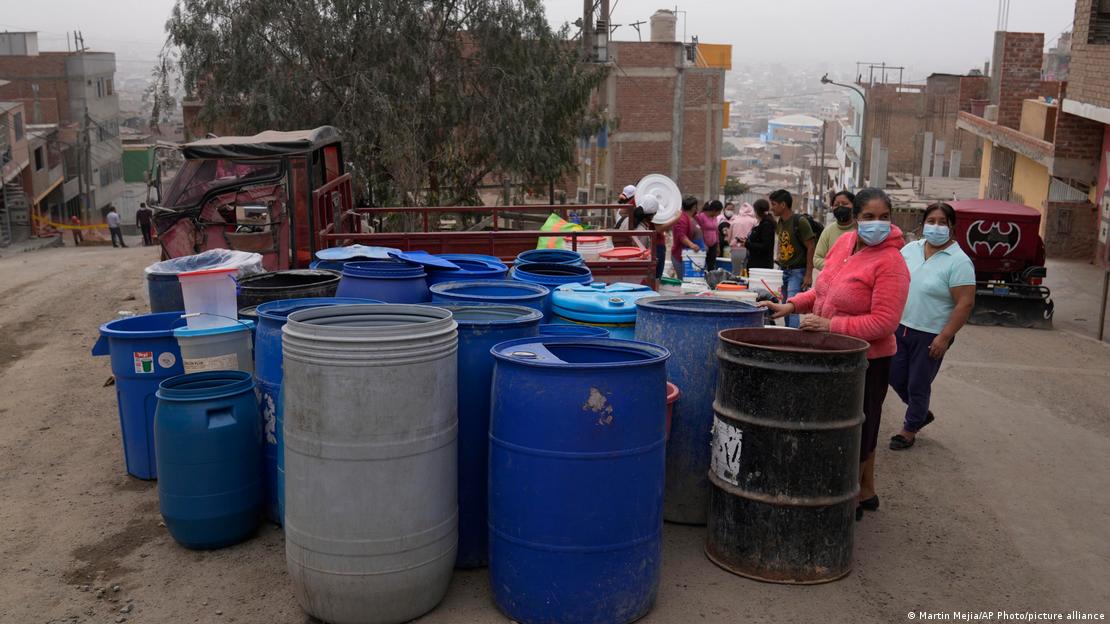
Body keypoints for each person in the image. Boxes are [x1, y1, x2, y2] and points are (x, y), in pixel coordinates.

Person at [759, 188, 909, 521]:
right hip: (834, 355)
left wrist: (829, 325)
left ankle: (849, 497)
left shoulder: (891, 262)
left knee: (858, 427)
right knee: (839, 424)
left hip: (868, 360)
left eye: (884, 217)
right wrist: (790, 305)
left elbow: (885, 322)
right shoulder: (843, 244)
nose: (877, 224)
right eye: (869, 217)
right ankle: (866, 491)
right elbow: (822, 290)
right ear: (856, 218)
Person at [889, 202, 976, 450]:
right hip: (900, 326)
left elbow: (965, 304)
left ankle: (909, 429)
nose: (935, 226)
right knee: (895, 376)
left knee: (918, 382)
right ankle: (920, 411)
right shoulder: (910, 249)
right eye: (931, 221)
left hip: (930, 333)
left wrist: (944, 337)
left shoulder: (959, 262)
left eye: (942, 222)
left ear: (952, 227)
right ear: (923, 223)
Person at [770, 189, 815, 328]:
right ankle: (788, 333)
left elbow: (811, 246)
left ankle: (794, 338)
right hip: (783, 270)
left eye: (774, 204)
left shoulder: (800, 221)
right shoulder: (780, 222)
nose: (772, 208)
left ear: (783, 205)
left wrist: (808, 274)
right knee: (785, 307)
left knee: (793, 306)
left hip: (797, 272)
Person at [814, 190, 856, 270]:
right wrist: (834, 267)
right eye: (836, 205)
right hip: (831, 279)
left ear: (854, 206)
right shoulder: (828, 231)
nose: (840, 207)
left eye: (845, 204)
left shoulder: (861, 230)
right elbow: (817, 259)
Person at [671, 196, 701, 280]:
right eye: (696, 207)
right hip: (679, 255)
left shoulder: (692, 218)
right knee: (684, 281)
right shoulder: (681, 218)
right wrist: (692, 245)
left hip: (689, 254)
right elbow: (681, 236)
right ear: (693, 207)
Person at [728, 202, 760, 275]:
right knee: (747, 273)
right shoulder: (754, 221)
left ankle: (735, 285)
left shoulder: (734, 220)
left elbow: (729, 237)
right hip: (749, 249)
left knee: (735, 272)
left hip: (735, 249)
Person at [745, 199, 776, 270]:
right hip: (756, 263)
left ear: (757, 211)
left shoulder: (766, 225)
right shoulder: (761, 223)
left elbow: (765, 246)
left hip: (761, 265)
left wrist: (747, 244)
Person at [695, 200, 723, 271]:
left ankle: (710, 279)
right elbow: (699, 231)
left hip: (713, 244)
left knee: (712, 264)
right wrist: (703, 243)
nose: (719, 213)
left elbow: (716, 231)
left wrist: (718, 245)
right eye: (719, 211)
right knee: (702, 264)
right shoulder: (700, 216)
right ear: (714, 210)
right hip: (704, 244)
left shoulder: (714, 217)